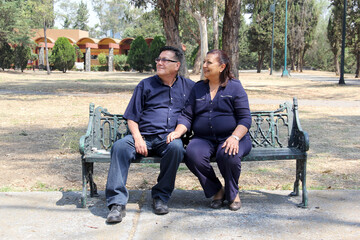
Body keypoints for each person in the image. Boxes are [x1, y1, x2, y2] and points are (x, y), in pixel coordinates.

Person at [106, 46, 195, 223]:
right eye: (158, 59)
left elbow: (191, 115)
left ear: (177, 65)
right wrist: (138, 139)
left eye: (165, 60)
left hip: (168, 139)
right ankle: (116, 204)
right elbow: (131, 116)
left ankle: (160, 197)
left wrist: (178, 132)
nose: (159, 63)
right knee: (120, 147)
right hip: (143, 137)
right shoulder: (145, 85)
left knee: (177, 148)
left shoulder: (189, 87)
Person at [167, 49, 252, 211]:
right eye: (204, 62)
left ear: (221, 67)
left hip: (233, 137)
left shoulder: (235, 87)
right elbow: (187, 116)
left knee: (227, 153)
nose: (204, 65)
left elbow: (245, 119)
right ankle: (216, 190)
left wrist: (235, 137)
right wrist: (178, 132)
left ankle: (233, 192)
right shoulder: (198, 88)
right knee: (193, 154)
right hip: (204, 138)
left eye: (209, 63)